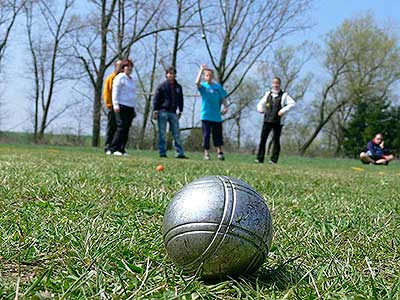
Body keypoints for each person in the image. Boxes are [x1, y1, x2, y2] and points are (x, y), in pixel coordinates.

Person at [255, 77, 296, 164]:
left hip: (278, 121)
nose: (275, 85)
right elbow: (260, 103)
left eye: (277, 83)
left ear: (280, 84)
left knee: (276, 140)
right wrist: (260, 109)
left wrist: (283, 110)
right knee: (263, 139)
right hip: (267, 120)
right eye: (274, 83)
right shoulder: (267, 94)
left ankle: (273, 159)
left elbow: (292, 104)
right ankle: (259, 158)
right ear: (272, 84)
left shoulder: (284, 95)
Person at [152, 67, 188, 159]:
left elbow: (181, 99)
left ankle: (179, 153)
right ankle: (162, 152)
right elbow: (156, 99)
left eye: (173, 74)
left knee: (176, 133)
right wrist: (155, 110)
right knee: (162, 133)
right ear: (166, 74)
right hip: (162, 111)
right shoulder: (162, 86)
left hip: (173, 112)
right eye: (170, 73)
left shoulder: (178, 87)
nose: (171, 75)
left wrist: (180, 110)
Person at [195, 64, 229, 161]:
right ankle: (206, 153)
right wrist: (201, 70)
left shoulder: (218, 87)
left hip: (216, 116)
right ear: (204, 77)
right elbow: (196, 82)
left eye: (210, 75)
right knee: (206, 135)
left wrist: (226, 107)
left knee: (217, 135)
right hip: (206, 116)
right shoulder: (203, 87)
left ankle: (219, 152)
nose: (209, 77)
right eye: (207, 75)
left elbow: (223, 98)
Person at [109, 59, 136, 156]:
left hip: (130, 106)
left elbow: (133, 94)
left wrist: (133, 107)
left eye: (130, 67)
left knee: (126, 129)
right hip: (121, 105)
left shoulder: (132, 80)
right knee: (120, 127)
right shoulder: (120, 77)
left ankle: (121, 148)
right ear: (123, 68)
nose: (129, 68)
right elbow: (115, 91)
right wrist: (115, 104)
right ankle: (114, 148)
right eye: (127, 66)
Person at [103, 59, 122, 155]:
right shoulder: (111, 78)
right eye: (119, 66)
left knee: (119, 129)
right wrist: (109, 104)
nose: (121, 68)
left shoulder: (123, 79)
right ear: (115, 67)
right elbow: (107, 93)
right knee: (111, 128)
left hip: (121, 108)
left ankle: (117, 148)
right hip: (112, 107)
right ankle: (108, 147)